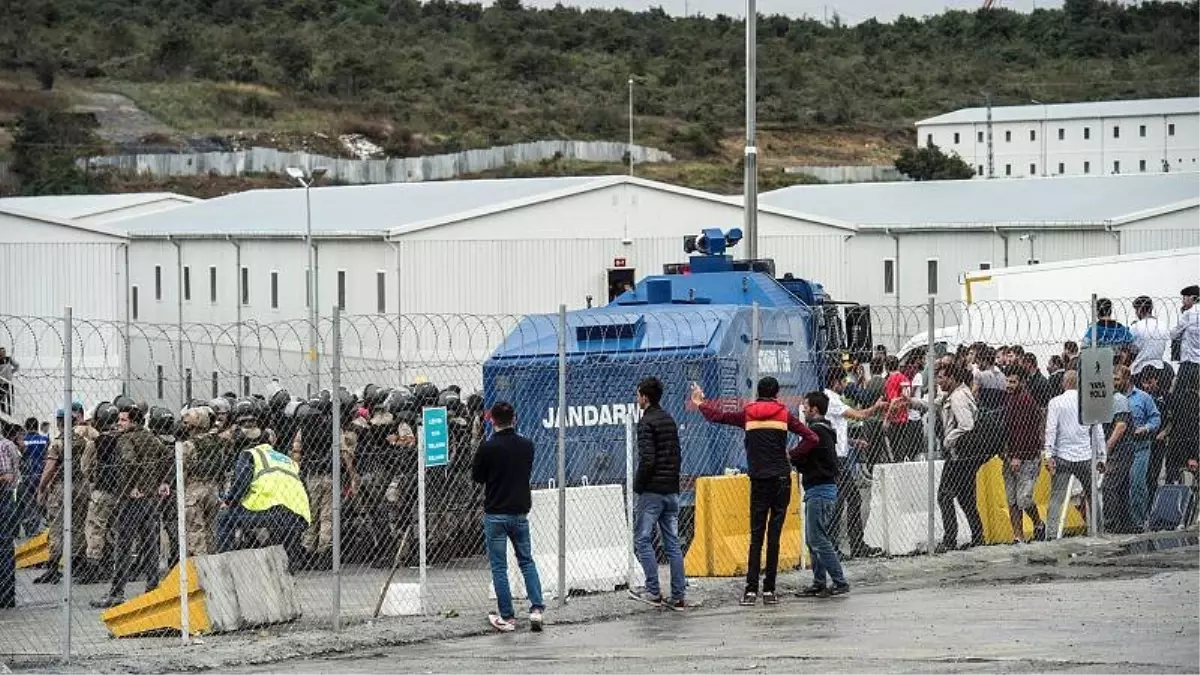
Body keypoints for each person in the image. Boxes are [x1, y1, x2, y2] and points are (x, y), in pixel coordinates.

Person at [693, 377, 818, 607]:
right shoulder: (784, 415)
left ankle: (750, 591)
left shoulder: (748, 414)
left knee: (756, 535)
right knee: (774, 536)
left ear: (757, 393)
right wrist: (792, 454)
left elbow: (718, 416)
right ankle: (770, 590)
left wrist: (701, 403)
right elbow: (812, 437)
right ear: (776, 394)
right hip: (781, 478)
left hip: (759, 479)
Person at [471, 401, 545, 632]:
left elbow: (477, 477)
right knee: (526, 560)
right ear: (515, 418)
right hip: (520, 511)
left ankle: (508, 617)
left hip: (496, 513)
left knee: (499, 567)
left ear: (492, 419)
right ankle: (536, 609)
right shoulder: (527, 445)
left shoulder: (488, 447)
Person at [216, 401, 311, 572]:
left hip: (270, 509)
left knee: (224, 518)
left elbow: (241, 484)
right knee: (284, 528)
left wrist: (228, 502)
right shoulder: (283, 458)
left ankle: (224, 564)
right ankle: (291, 563)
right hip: (299, 511)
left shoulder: (249, 455)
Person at [93, 405, 169, 608]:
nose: (119, 423)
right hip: (150, 498)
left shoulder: (125, 439)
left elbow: (128, 462)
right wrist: (163, 481)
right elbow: (168, 457)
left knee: (124, 545)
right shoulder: (151, 438)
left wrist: (131, 487)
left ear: (133, 421)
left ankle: (117, 592)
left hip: (132, 498)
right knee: (150, 543)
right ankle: (152, 587)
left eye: (123, 420)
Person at [629, 377, 686, 609]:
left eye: (638, 395)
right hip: (671, 490)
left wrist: (638, 485)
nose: (637, 399)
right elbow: (677, 455)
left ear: (645, 397)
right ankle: (679, 595)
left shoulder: (646, 422)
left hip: (652, 491)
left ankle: (653, 590)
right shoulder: (669, 419)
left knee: (642, 539)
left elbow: (647, 459)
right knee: (672, 543)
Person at [793, 391, 850, 598]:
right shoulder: (824, 430)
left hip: (819, 490)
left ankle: (839, 581)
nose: (804, 409)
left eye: (806, 406)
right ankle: (819, 582)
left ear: (814, 409)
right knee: (813, 539)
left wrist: (793, 457)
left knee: (818, 539)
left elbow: (801, 457)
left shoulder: (816, 433)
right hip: (819, 489)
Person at [823, 369, 884, 558]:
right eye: (844, 382)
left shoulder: (831, 399)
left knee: (851, 499)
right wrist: (876, 406)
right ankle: (838, 545)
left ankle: (854, 544)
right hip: (837, 460)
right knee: (842, 501)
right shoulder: (831, 400)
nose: (846, 386)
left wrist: (851, 442)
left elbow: (835, 430)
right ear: (836, 382)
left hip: (839, 456)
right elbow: (860, 415)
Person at [33, 405, 94, 585]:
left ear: (59, 423)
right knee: (78, 525)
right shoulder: (83, 441)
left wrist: (41, 488)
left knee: (57, 526)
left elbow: (50, 468)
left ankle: (53, 566)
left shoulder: (58, 442)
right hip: (82, 485)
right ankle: (77, 564)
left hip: (61, 487)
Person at [1044, 370, 1106, 537]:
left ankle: (1051, 534)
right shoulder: (1088, 401)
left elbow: (1051, 429)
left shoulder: (1056, 402)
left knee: (1057, 497)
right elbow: (1098, 430)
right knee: (1092, 495)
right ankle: (1099, 530)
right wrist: (1101, 456)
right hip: (1085, 455)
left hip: (1063, 455)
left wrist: (1048, 454)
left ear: (1064, 383)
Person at [932, 364, 985, 551]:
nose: (938, 381)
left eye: (941, 377)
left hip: (959, 455)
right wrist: (910, 402)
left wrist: (948, 439)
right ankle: (978, 536)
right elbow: (933, 404)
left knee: (944, 495)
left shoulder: (958, 398)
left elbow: (967, 425)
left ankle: (949, 539)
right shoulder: (953, 394)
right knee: (965, 497)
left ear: (952, 378)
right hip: (964, 455)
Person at [1107, 365, 1161, 533]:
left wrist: (1146, 428)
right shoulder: (1112, 398)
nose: (1114, 382)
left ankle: (1139, 521)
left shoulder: (1143, 397)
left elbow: (1156, 417)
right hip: (1120, 448)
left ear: (1127, 379)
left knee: (1137, 483)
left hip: (1140, 446)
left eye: (1117, 379)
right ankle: (1124, 521)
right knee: (1121, 485)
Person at [1004, 370, 1045, 543]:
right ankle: (1017, 535)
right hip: (1010, 455)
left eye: (1013, 382)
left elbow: (1025, 432)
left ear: (1022, 382)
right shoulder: (1009, 400)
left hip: (1026, 457)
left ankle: (1038, 523)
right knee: (1011, 499)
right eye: (1008, 382)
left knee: (1023, 498)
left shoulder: (1026, 402)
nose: (1009, 386)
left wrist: (1018, 456)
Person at [0, 420, 22, 608]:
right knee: (5, 546)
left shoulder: (3, 446)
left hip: (3, 498)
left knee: (5, 546)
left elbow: (7, 477)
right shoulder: (9, 445)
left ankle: (6, 595)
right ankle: (7, 594)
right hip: (6, 499)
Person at [19, 417, 49, 537]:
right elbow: (47, 455)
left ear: (26, 427)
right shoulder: (44, 440)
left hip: (27, 473)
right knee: (40, 500)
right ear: (37, 427)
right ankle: (39, 525)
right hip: (41, 473)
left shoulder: (23, 441)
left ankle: (30, 527)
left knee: (28, 502)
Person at [1130, 296, 1171, 383]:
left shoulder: (1136, 327)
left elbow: (1132, 350)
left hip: (1139, 369)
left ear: (1139, 310)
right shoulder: (1163, 325)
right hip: (1159, 367)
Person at [0, 347, 18, 415]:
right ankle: (3, 414)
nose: (3, 353)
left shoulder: (8, 359)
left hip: (9, 383)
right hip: (1, 384)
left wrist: (11, 372)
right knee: (2, 401)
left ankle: (10, 414)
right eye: (2, 352)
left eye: (4, 351)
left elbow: (17, 366)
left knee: (10, 400)